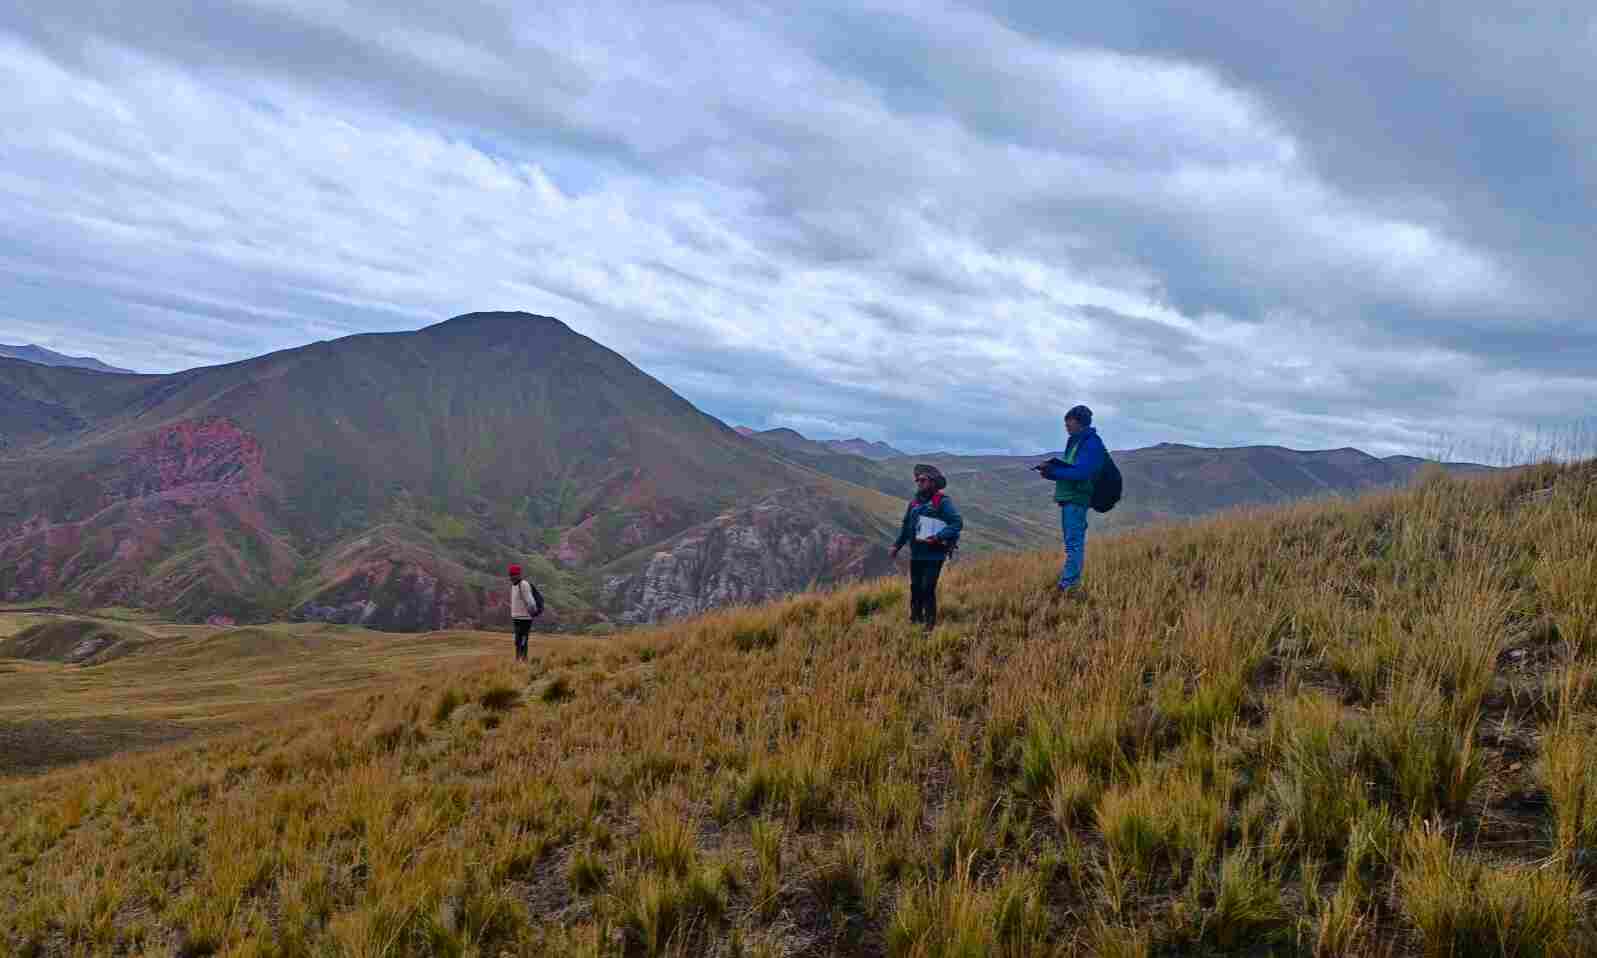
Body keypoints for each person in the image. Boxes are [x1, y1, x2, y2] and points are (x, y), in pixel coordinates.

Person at [1033, 405, 1106, 597]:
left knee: (1074, 544)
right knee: (1073, 543)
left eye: (1069, 421)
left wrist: (1053, 471)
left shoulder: (1090, 443)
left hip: (1076, 498)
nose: (1066, 425)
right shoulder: (1076, 442)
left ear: (1080, 423)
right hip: (1070, 498)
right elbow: (1072, 469)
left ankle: (1069, 585)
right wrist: (1050, 472)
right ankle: (1069, 582)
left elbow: (1081, 472)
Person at [891, 464, 963, 630]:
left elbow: (957, 522)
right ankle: (915, 619)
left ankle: (929, 625)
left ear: (932, 482)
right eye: (917, 480)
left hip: (934, 554)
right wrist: (897, 545)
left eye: (922, 480)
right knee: (915, 587)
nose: (919, 483)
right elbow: (906, 526)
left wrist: (938, 537)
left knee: (927, 587)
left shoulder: (942, 502)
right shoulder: (914, 502)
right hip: (916, 554)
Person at [508, 564, 544, 662]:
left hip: (525, 618)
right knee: (517, 641)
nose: (511, 577)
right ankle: (518, 659)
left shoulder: (524, 584)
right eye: (510, 575)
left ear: (519, 574)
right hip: (516, 618)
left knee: (523, 640)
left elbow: (531, 602)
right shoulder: (513, 585)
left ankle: (523, 660)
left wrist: (532, 613)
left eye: (514, 575)